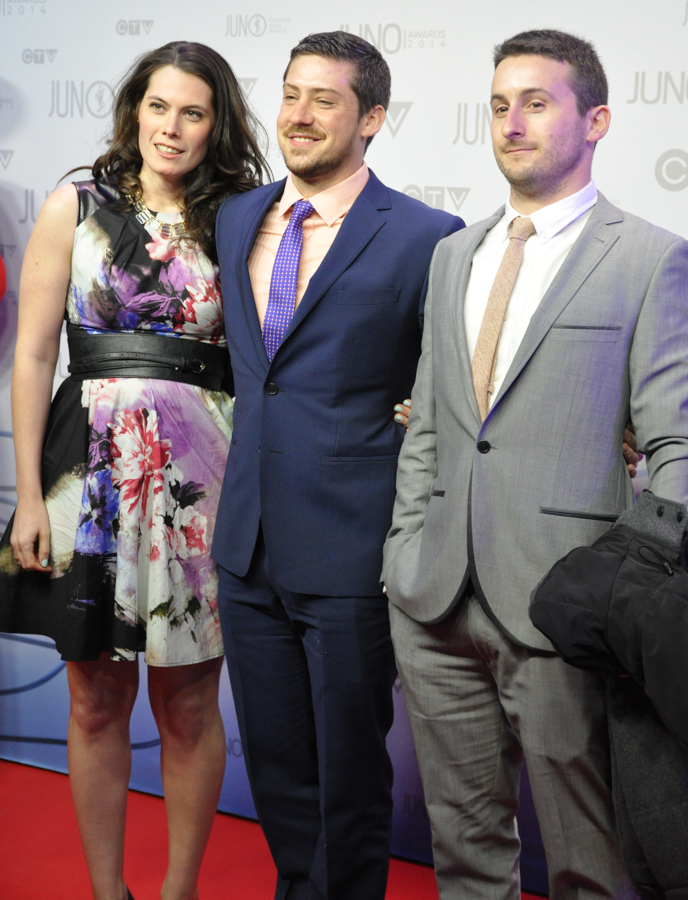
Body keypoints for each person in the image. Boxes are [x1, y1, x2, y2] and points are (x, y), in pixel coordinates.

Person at [383, 28, 688, 900]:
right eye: (498, 104)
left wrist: (628, 595)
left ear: (595, 120)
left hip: (561, 607)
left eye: (537, 102)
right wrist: (403, 554)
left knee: (589, 857)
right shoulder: (453, 255)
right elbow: (434, 426)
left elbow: (674, 446)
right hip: (433, 595)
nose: (511, 122)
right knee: (464, 849)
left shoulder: (649, 259)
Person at [0, 41, 268, 900]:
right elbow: (35, 355)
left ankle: (178, 892)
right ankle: (107, 890)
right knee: (93, 700)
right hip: (88, 477)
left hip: (203, 480)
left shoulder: (242, 218)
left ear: (216, 123)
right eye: (159, 106)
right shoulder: (75, 205)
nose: (172, 127)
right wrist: (31, 498)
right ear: (135, 109)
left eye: (193, 112)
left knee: (189, 705)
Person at [211, 31, 464, 900]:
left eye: (326, 99)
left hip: (353, 552)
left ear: (373, 119)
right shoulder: (238, 215)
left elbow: (448, 389)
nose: (300, 114)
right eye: (291, 93)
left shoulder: (430, 236)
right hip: (244, 544)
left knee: (350, 776)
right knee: (280, 771)